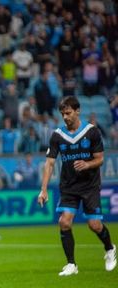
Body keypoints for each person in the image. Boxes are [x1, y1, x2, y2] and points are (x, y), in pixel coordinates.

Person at [37, 96, 116, 276]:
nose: (65, 117)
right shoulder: (58, 136)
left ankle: (110, 248)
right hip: (69, 185)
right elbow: (49, 163)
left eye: (68, 113)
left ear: (77, 111)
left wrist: (87, 164)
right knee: (64, 222)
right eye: (62, 114)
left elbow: (100, 159)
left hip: (89, 185)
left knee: (94, 225)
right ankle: (71, 264)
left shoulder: (92, 132)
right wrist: (43, 189)